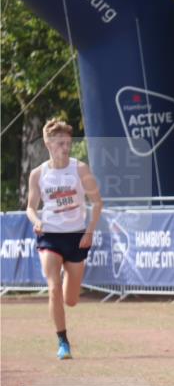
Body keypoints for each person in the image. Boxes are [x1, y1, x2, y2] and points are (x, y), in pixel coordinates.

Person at [25, 119, 103, 360]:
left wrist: (90, 230)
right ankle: (62, 341)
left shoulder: (80, 169)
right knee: (53, 288)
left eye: (68, 143)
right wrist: (36, 221)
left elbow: (97, 202)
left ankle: (70, 290)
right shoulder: (38, 174)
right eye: (60, 143)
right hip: (50, 236)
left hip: (77, 236)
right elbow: (30, 207)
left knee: (70, 300)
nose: (65, 147)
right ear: (48, 143)